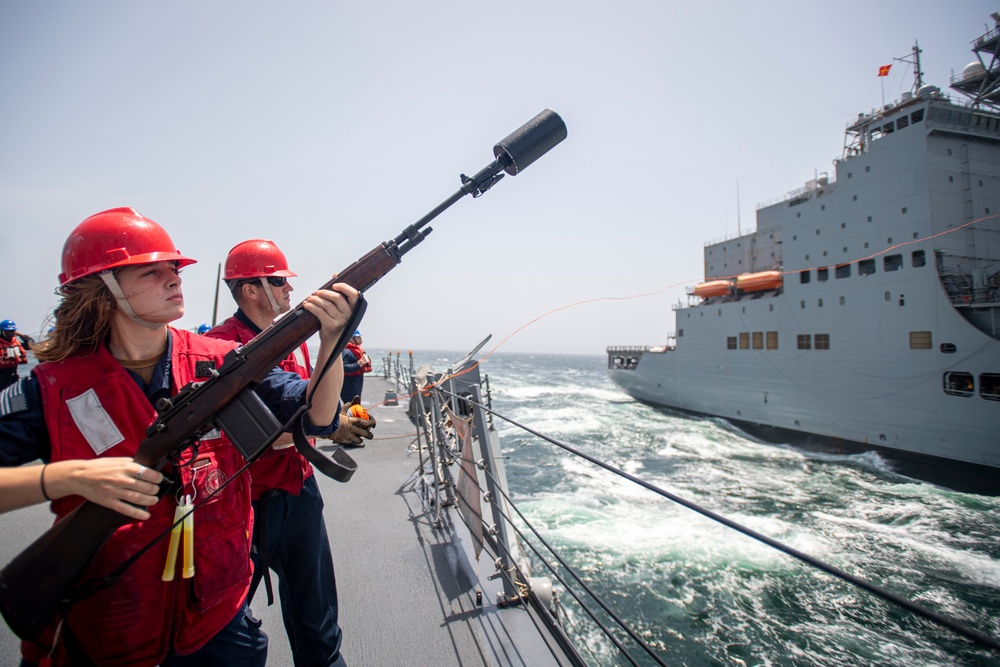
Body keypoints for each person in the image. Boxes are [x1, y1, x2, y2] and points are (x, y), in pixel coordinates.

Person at [0, 208, 358, 667]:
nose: (174, 280)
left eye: (173, 269)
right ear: (101, 290)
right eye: (153, 272)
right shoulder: (50, 387)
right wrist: (70, 478)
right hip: (110, 627)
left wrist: (331, 340)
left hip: (215, 621)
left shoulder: (223, 360)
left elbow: (314, 418)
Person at [207, 238, 374, 667]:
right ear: (250, 289)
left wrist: (335, 416)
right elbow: (248, 434)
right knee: (222, 626)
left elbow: (311, 404)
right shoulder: (226, 349)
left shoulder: (295, 340)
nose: (288, 290)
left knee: (318, 622)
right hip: (244, 504)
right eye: (279, 281)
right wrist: (330, 427)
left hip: (299, 494)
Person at [340, 331, 371, 405]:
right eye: (358, 337)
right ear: (351, 338)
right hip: (349, 385)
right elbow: (343, 367)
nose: (360, 339)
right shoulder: (347, 352)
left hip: (355, 384)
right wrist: (358, 364)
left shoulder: (356, 350)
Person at [0, 320, 28, 390]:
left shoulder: (15, 342)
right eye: (9, 331)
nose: (12, 333)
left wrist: (24, 337)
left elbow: (30, 346)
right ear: (3, 331)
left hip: (13, 376)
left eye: (13, 331)